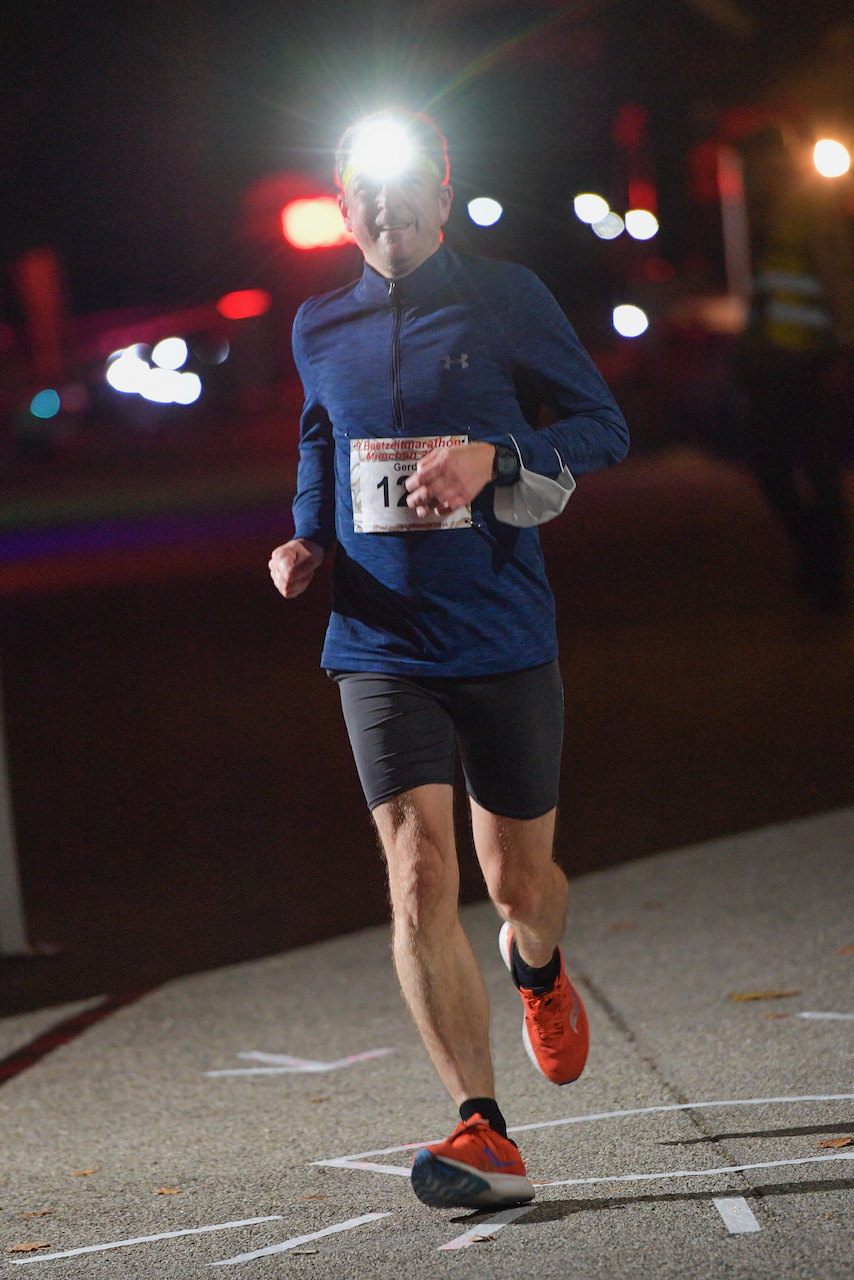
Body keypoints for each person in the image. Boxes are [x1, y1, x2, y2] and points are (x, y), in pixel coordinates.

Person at [269, 108, 629, 1210]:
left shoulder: (503, 296)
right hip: (377, 641)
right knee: (419, 871)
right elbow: (320, 438)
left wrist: (493, 454)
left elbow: (602, 426)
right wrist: (307, 537)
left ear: (441, 190)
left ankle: (537, 964)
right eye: (365, 192)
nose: (387, 208)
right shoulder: (316, 321)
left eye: (407, 187)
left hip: (501, 632)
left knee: (519, 882)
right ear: (344, 206)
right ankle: (482, 1126)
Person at [739, 126, 854, 614]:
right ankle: (819, 560)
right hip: (778, 366)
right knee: (773, 467)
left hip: (811, 364)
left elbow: (841, 286)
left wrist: (840, 356)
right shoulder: (771, 220)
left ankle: (829, 576)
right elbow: (768, 294)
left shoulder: (813, 215)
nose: (763, 178)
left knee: (821, 473)